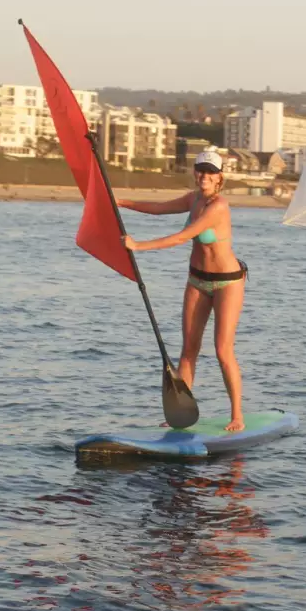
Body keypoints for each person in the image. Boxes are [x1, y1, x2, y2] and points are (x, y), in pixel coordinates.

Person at [122, 151, 248, 431]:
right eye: (200, 170)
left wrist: (138, 246)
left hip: (227, 282)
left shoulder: (218, 206)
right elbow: (158, 208)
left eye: (210, 172)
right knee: (188, 350)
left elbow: (182, 237)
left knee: (222, 350)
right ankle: (180, 414)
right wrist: (121, 202)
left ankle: (237, 416)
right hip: (197, 280)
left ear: (219, 177)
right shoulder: (193, 199)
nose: (204, 176)